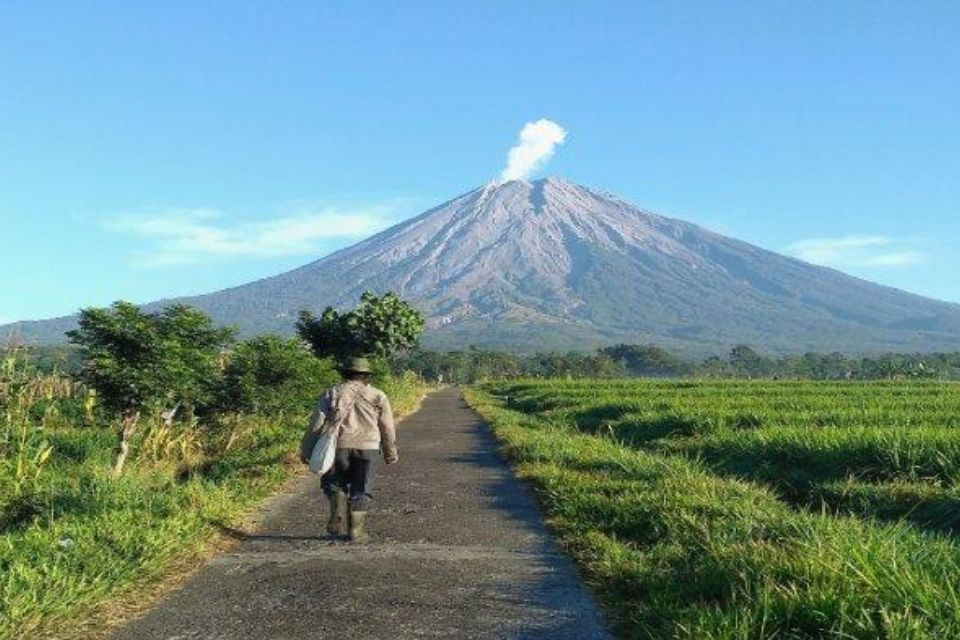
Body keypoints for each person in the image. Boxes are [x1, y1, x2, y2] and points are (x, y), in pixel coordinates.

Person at [304, 356, 398, 542]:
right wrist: (390, 452)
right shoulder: (378, 395)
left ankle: (337, 512)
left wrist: (307, 450)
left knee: (333, 483)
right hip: (368, 447)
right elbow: (387, 427)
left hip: (337, 446)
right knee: (361, 488)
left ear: (344, 374)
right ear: (367, 376)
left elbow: (316, 424)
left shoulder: (331, 393)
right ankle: (356, 531)